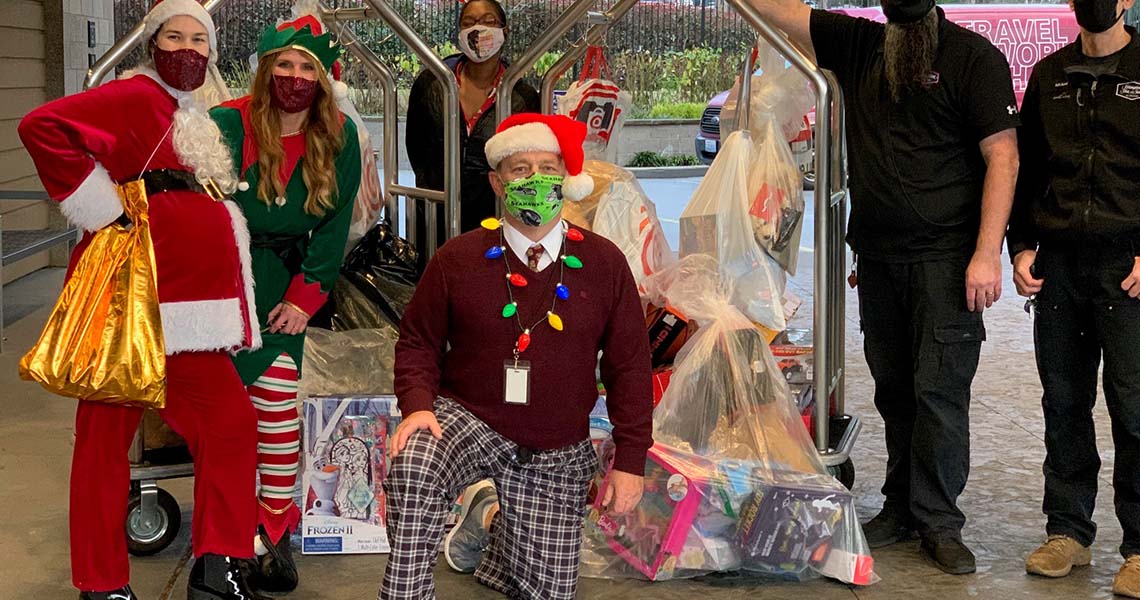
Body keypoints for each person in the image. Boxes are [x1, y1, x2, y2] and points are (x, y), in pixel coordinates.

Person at [743, 0, 1020, 574]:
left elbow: (1004, 156)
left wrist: (986, 254)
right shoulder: (861, 44)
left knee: (939, 395)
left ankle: (939, 521)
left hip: (947, 262)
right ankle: (900, 506)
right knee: (895, 390)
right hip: (878, 259)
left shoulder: (974, 59)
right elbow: (784, 13)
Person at [17, 1, 265, 598]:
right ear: (153, 44)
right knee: (105, 444)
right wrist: (103, 207)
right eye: (174, 37)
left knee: (229, 424)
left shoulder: (188, 109)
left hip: (189, 314)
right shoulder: (132, 97)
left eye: (199, 40)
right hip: (136, 302)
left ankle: (218, 565)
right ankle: (101, 584)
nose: (188, 49)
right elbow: (40, 127)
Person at [380, 113, 653, 600]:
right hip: (470, 420)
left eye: (547, 167)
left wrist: (631, 460)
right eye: (519, 168)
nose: (534, 179)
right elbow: (418, 341)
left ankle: (489, 521)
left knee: (546, 592)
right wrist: (418, 405)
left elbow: (630, 366)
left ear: (567, 180)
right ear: (496, 182)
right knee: (415, 462)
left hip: (555, 445)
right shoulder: (457, 259)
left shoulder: (604, 263)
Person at [209, 15, 361, 594]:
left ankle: (272, 532)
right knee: (224, 418)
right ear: (266, 68)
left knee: (275, 411)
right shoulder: (225, 124)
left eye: (307, 67)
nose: (295, 77)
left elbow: (333, 230)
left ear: (322, 79)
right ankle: (227, 532)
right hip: (221, 281)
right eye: (285, 64)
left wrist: (305, 297)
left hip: (283, 285)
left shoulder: (339, 136)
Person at [1008, 0, 1140, 595]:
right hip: (1060, 269)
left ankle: (1138, 547)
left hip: (1128, 271)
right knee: (1063, 402)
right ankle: (1068, 532)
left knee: (1135, 411)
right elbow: (1026, 167)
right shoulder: (1049, 74)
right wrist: (1019, 246)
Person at [405, 0, 540, 264]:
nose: (478, 29)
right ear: (459, 33)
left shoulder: (522, 97)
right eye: (469, 22)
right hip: (435, 216)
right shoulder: (431, 83)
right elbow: (416, 147)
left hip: (494, 216)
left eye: (489, 21)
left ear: (505, 30)